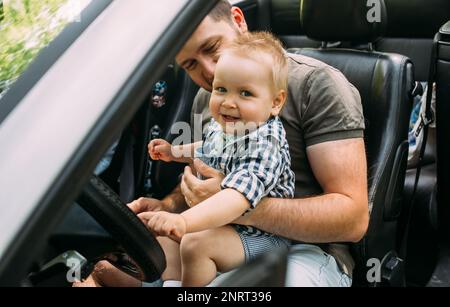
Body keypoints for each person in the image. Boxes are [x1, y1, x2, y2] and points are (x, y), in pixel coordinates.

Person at [76, 0, 368, 287]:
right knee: (112, 271)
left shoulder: (317, 84)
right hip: (219, 234)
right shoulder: (209, 98)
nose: (209, 72)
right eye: (190, 64)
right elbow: (208, 164)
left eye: (212, 48)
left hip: (305, 250)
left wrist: (239, 205)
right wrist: (169, 205)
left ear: (238, 20)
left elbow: (353, 219)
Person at [142, 32, 294, 287]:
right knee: (163, 244)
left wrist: (184, 221)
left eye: (245, 93)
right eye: (221, 89)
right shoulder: (230, 125)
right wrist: (173, 152)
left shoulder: (266, 143)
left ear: (275, 103)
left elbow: (236, 197)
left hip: (264, 238)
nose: (228, 102)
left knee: (195, 244)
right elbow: (209, 147)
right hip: (229, 228)